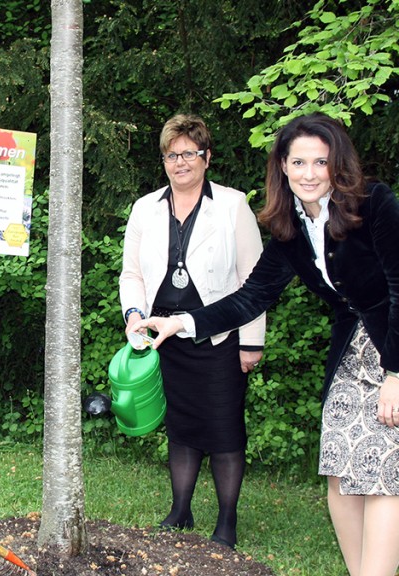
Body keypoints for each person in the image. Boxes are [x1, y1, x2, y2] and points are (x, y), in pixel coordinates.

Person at [137, 112, 399, 575]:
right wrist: (183, 322)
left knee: (381, 473)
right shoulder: (290, 230)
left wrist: (396, 374)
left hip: (393, 349)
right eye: (298, 163)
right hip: (352, 353)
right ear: (282, 167)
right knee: (339, 465)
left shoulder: (373, 202)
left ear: (338, 164)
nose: (309, 173)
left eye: (321, 162)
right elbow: (250, 298)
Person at [120, 114, 265, 549]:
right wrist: (133, 316)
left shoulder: (233, 205)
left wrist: (252, 342)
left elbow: (253, 280)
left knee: (223, 429)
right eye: (171, 154)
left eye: (188, 153)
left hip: (220, 336)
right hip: (162, 337)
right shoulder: (145, 207)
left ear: (206, 157)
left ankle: (226, 520)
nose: (179, 162)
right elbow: (131, 274)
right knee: (181, 428)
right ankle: (180, 509)